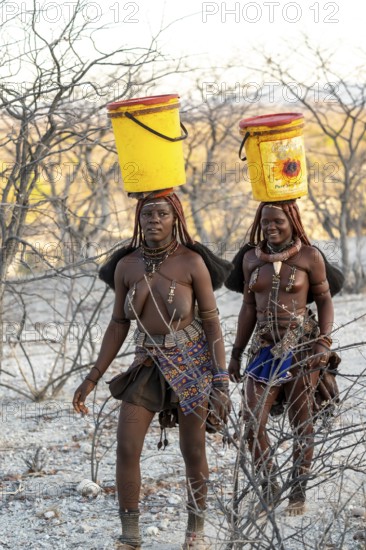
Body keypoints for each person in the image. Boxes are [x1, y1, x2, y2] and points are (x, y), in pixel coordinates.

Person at [72, 189, 232, 549]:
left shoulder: (192, 262)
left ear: (175, 218)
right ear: (138, 220)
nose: (154, 220)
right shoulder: (127, 266)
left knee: (193, 449)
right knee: (127, 446)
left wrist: (220, 380)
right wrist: (92, 376)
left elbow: (211, 323)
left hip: (192, 364)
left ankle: (196, 531)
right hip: (146, 364)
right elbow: (118, 325)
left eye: (162, 214)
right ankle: (130, 535)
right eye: (147, 214)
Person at [225, 199, 343, 516]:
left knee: (301, 423)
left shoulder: (309, 256)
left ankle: (297, 493)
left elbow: (324, 299)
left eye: (278, 220)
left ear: (292, 219)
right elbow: (248, 308)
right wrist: (236, 353)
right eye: (265, 222)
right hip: (264, 348)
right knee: (251, 424)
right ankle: (268, 487)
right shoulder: (251, 258)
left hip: (302, 344)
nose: (271, 227)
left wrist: (324, 342)